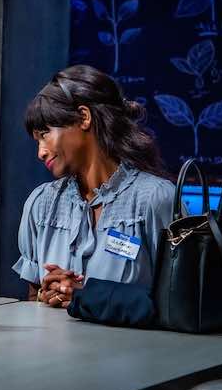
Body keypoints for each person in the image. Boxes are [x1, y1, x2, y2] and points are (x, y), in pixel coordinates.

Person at [12, 65, 176, 309]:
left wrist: (89, 296)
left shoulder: (155, 199)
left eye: (45, 134)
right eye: (36, 140)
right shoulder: (41, 204)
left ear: (84, 117)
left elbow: (178, 306)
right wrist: (48, 295)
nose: (40, 152)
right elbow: (32, 301)